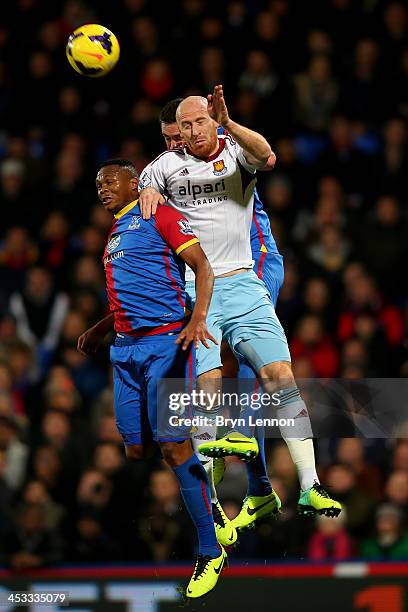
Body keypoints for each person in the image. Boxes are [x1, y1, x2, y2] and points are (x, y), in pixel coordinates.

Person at [138, 85, 341, 525]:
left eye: (197, 124)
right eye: (180, 130)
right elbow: (144, 191)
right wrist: (145, 196)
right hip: (198, 290)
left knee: (276, 376)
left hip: (247, 279)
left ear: (213, 121)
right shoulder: (162, 169)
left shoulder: (236, 152)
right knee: (212, 380)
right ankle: (229, 491)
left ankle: (306, 484)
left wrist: (228, 121)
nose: (187, 136)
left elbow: (267, 155)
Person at [77, 100, 238, 549]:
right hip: (124, 350)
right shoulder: (115, 233)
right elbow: (134, 294)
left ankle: (211, 541)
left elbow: (201, 266)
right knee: (135, 450)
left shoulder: (158, 214)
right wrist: (99, 329)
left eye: (111, 181)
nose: (102, 189)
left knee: (172, 446)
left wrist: (198, 319)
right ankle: (200, 460)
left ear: (135, 183)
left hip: (164, 344)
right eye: (97, 184)